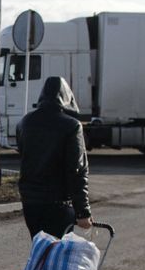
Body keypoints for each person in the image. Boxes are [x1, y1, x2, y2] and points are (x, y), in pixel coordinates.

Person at [16, 76, 92, 239]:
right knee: (57, 255)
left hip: (30, 202)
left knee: (40, 250)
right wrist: (82, 212)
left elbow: (23, 155)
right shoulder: (71, 126)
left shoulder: (25, 122)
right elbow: (77, 170)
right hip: (58, 204)